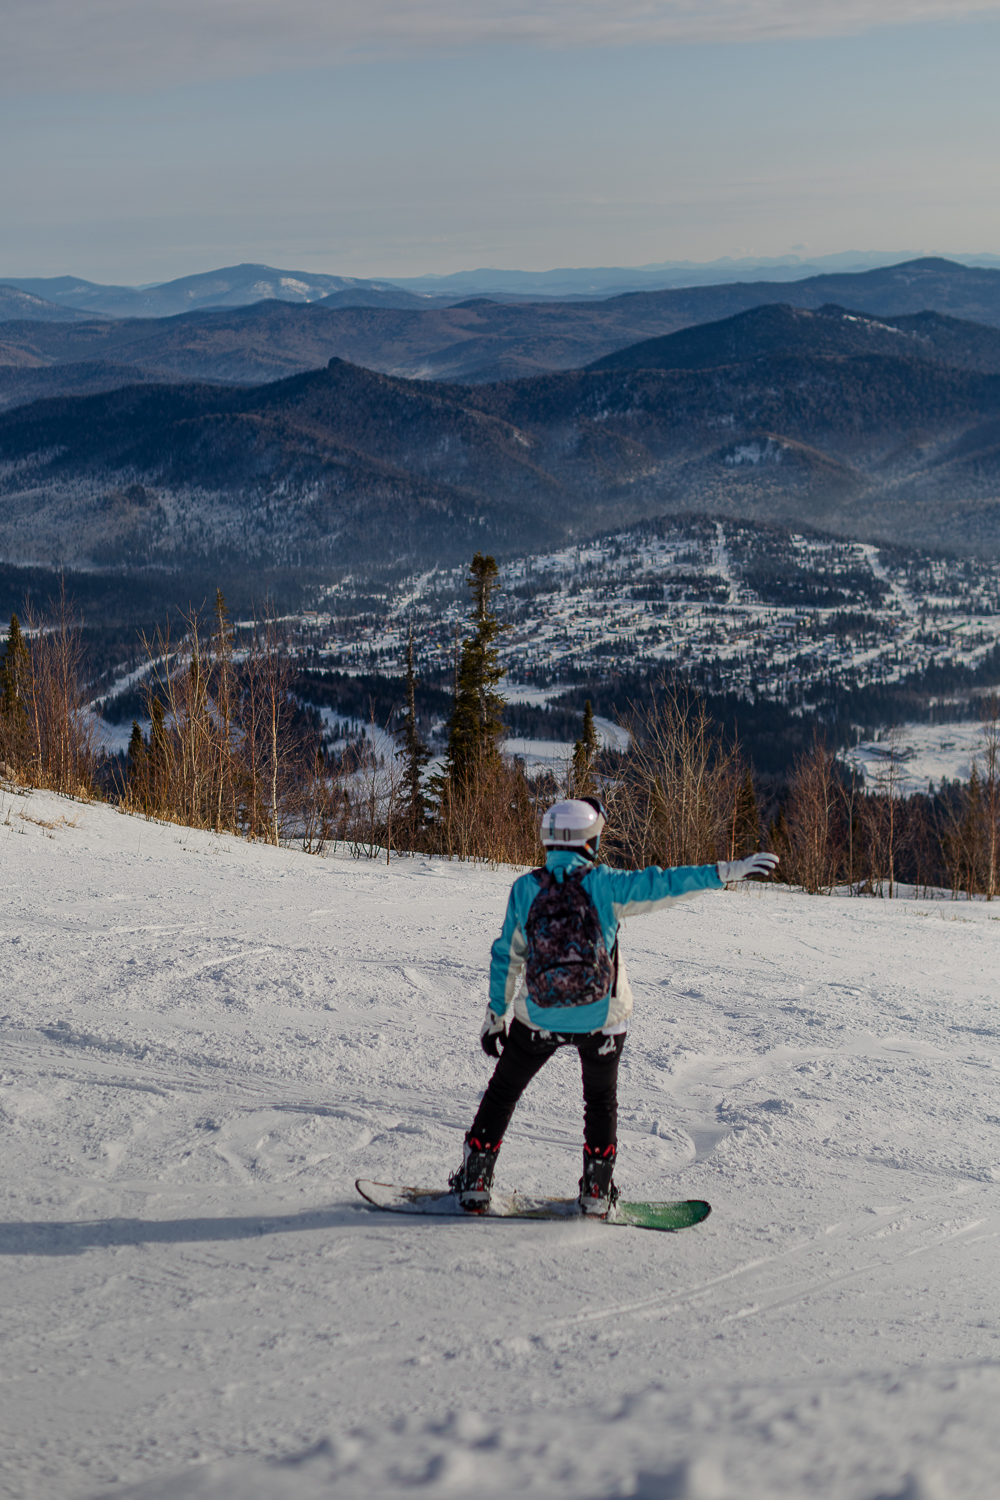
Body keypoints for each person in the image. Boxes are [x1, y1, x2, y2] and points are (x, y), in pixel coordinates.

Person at [449, 797, 778, 1217]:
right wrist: (725, 872)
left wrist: (496, 1014)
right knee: (600, 1102)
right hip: (603, 1019)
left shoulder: (526, 889)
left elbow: (507, 955)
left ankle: (475, 1180)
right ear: (590, 840)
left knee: (503, 1093)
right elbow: (665, 883)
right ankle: (597, 1192)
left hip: (538, 1018)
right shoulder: (606, 885)